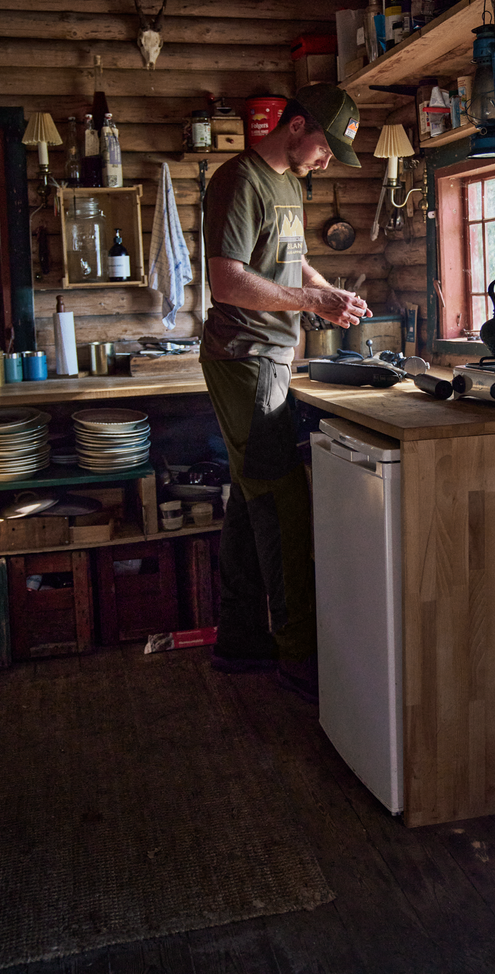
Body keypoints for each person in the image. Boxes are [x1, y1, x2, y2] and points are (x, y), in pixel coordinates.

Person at [200, 84, 371, 702]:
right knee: (282, 503)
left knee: (251, 500)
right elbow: (229, 281)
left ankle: (241, 642)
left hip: (272, 356)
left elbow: (288, 263)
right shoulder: (239, 179)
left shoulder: (290, 185)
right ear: (296, 126)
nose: (328, 161)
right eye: (327, 147)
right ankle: (299, 656)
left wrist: (329, 294)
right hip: (244, 358)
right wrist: (310, 302)